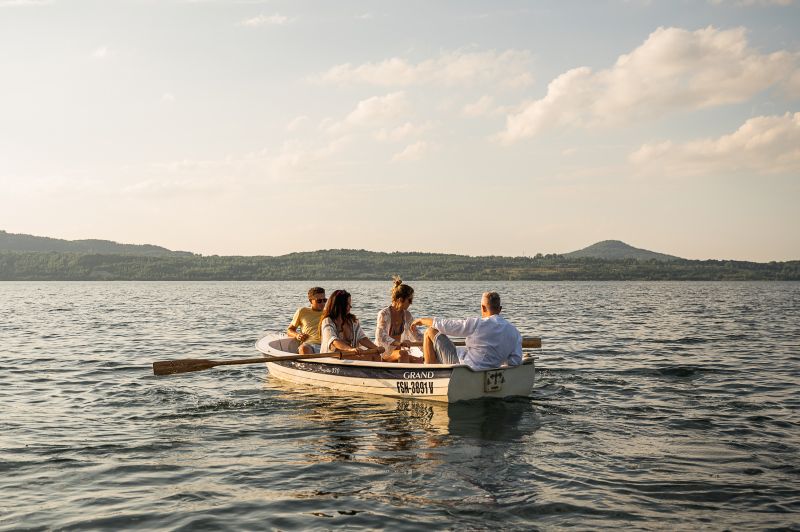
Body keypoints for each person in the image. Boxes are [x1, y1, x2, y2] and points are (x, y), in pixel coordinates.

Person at [411, 291, 522, 369]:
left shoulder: (477, 324)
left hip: (465, 368)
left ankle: (431, 373)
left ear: (483, 308)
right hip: (491, 369)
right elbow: (515, 361)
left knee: (430, 331)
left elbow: (446, 325)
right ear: (500, 309)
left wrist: (421, 320)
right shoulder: (514, 332)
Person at [320, 289, 384, 361]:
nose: (350, 307)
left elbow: (362, 338)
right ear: (339, 305)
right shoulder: (328, 321)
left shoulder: (352, 321)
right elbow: (333, 341)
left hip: (349, 355)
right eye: (347, 304)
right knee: (366, 357)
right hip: (333, 357)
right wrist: (350, 349)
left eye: (350, 304)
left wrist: (376, 348)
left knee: (376, 355)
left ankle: (375, 372)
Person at [375, 276, 423, 363]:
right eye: (410, 300)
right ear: (401, 299)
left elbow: (416, 334)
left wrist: (430, 342)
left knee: (420, 360)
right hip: (384, 354)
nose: (411, 303)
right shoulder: (384, 313)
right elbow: (381, 336)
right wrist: (399, 343)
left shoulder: (407, 315)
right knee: (404, 354)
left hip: (398, 352)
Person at [287, 287, 326, 355]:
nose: (322, 303)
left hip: (327, 345)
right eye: (319, 301)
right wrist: (297, 335)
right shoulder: (302, 311)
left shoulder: (329, 312)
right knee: (303, 349)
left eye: (324, 300)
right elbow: (289, 330)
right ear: (311, 301)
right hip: (310, 345)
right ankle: (309, 365)